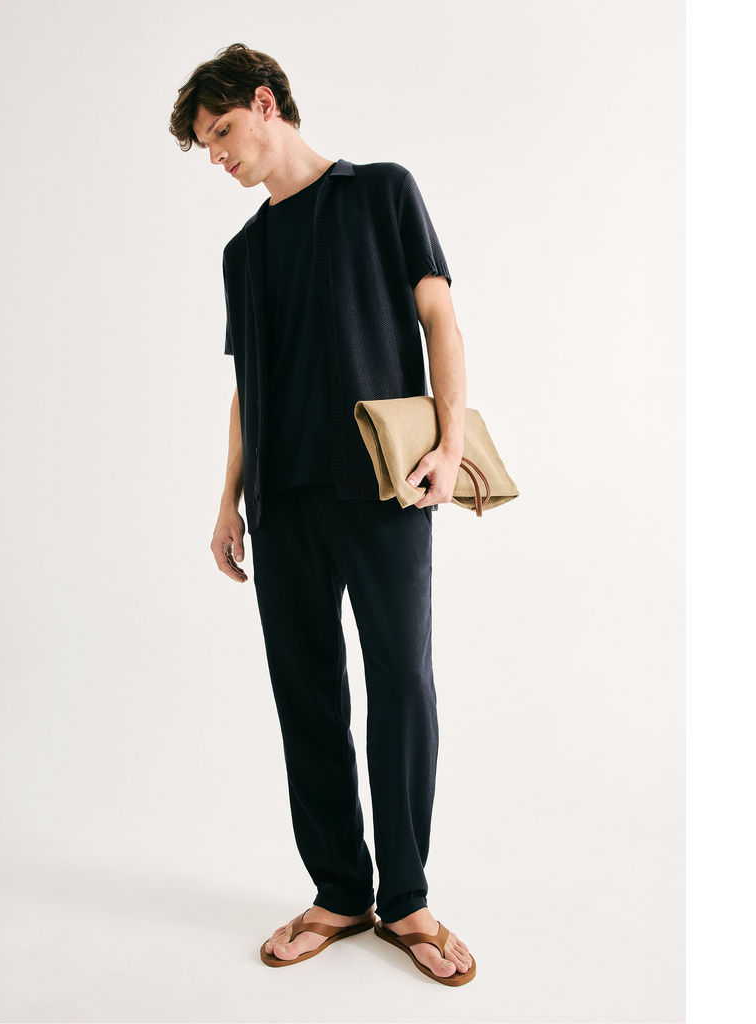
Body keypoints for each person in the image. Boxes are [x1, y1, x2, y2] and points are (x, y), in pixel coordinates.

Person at [170, 43, 476, 985]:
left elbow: (439, 318)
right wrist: (227, 500)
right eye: (206, 145)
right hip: (283, 501)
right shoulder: (243, 252)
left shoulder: (381, 192)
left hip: (385, 486)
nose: (218, 155)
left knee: (403, 684)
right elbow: (245, 387)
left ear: (266, 104)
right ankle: (341, 891)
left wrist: (450, 444)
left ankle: (408, 898)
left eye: (223, 131)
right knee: (306, 696)